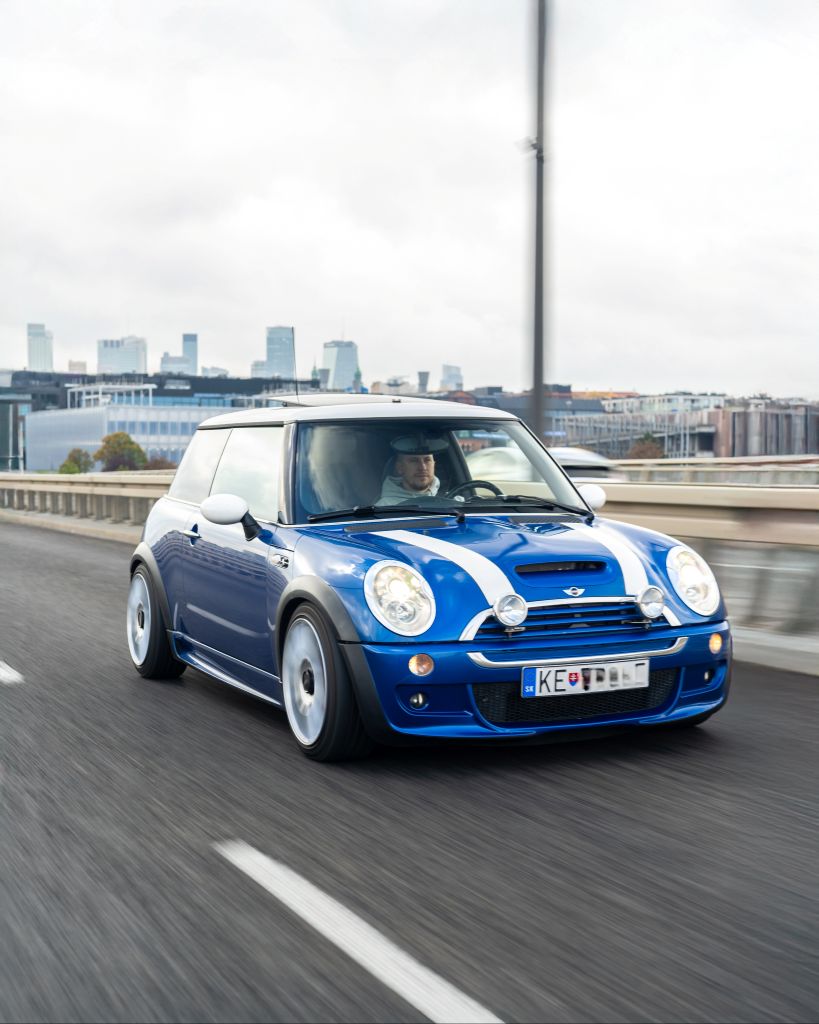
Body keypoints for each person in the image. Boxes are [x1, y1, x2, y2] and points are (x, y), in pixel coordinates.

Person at [377, 433, 449, 505]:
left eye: (427, 460)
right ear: (400, 467)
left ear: (434, 464)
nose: (423, 467)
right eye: (414, 461)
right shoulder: (384, 506)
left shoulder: (451, 499)